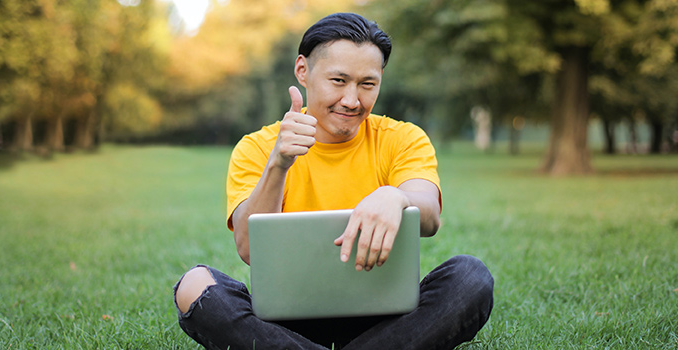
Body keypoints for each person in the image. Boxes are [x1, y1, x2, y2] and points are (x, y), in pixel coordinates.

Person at [172, 13, 494, 349]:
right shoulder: (257, 148)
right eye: (338, 81)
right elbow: (250, 248)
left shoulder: (402, 138)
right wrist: (278, 164)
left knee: (470, 277)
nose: (352, 101)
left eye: (367, 84)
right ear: (303, 71)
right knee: (194, 285)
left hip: (384, 321)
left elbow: (429, 214)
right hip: (287, 323)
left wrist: (395, 197)